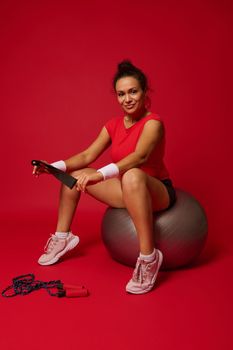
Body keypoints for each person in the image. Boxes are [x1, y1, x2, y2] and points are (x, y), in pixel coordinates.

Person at [32, 60, 176, 295]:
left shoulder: (153, 123)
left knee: (132, 176)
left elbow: (139, 157)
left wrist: (100, 175)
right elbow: (88, 155)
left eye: (133, 92)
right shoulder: (113, 124)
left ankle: (149, 258)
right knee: (74, 176)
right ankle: (62, 237)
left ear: (144, 92)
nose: (127, 99)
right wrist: (52, 166)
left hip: (156, 190)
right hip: (126, 189)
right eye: (121, 94)